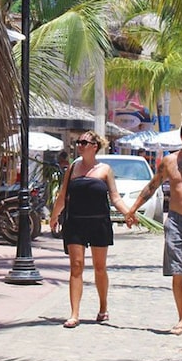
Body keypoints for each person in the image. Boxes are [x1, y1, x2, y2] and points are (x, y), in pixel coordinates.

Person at [124, 122, 182, 335]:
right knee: (177, 273)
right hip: (175, 222)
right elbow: (152, 185)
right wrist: (132, 209)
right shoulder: (169, 162)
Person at [49, 131, 130, 328]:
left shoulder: (105, 170)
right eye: (78, 142)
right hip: (75, 222)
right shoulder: (73, 168)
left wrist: (129, 213)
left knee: (99, 268)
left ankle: (103, 307)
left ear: (95, 146)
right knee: (76, 267)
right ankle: (74, 313)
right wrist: (53, 216)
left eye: (84, 142)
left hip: (99, 223)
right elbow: (62, 196)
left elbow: (115, 198)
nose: (80, 145)